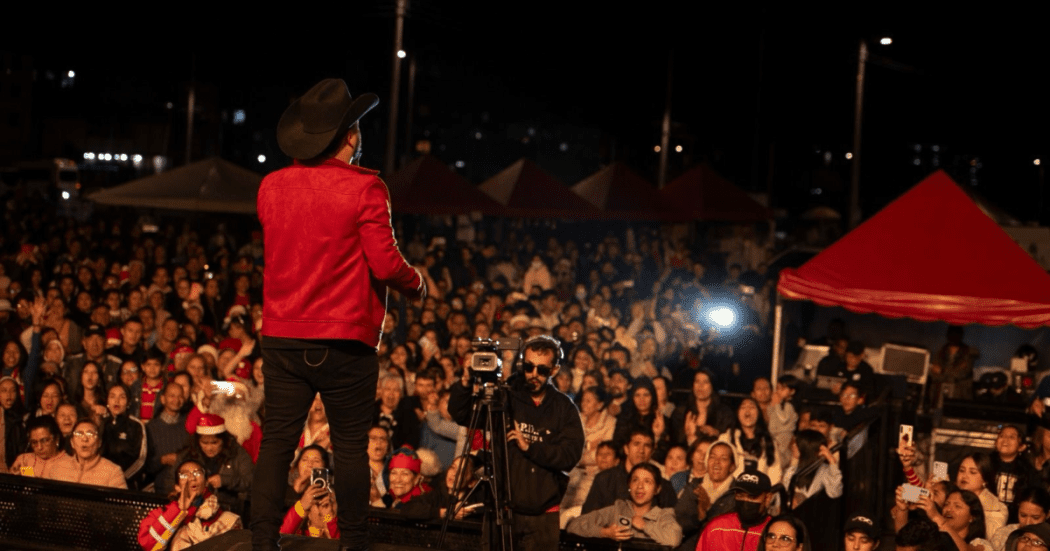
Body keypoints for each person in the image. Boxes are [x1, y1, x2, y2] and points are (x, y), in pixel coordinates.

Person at [251, 77, 426, 551]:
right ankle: (353, 543)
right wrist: (418, 284)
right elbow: (386, 263)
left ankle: (263, 540)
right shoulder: (366, 188)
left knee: (276, 444)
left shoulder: (271, 187)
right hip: (346, 339)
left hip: (284, 335)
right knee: (350, 449)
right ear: (350, 136)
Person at [448, 334, 585, 551]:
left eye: (542, 370)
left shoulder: (563, 408)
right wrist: (465, 382)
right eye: (529, 367)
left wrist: (531, 447)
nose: (533, 375)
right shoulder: (506, 396)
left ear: (554, 371)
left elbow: (570, 455)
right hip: (502, 509)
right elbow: (462, 414)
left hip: (542, 515)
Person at [566, 463, 683, 547]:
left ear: (657, 489)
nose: (640, 486)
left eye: (647, 481)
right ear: (629, 486)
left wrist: (645, 526)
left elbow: (674, 539)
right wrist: (605, 533)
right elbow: (574, 526)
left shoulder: (662, 516)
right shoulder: (617, 509)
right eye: (635, 480)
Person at [137, 458, 242, 551]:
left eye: (197, 473)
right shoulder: (159, 514)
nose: (192, 478)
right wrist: (178, 511)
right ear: (177, 487)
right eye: (184, 475)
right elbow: (149, 546)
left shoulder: (227, 519)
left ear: (206, 482)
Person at [695, 464, 773, 551]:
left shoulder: (775, 532)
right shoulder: (716, 527)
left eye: (752, 497)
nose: (745, 501)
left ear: (768, 498)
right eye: (740, 495)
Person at [48, 418, 127, 489]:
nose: (85, 439)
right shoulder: (58, 468)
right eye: (79, 434)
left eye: (90, 434)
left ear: (99, 442)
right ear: (72, 442)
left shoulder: (113, 472)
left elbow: (121, 504)